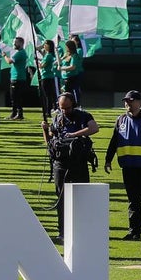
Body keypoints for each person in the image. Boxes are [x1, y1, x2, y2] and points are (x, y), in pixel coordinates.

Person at [42, 92, 99, 242]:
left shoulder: (83, 115)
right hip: (60, 163)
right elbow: (49, 143)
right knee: (61, 198)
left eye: (67, 108)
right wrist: (45, 129)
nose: (64, 111)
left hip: (78, 162)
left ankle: (83, 230)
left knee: (82, 197)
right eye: (62, 108)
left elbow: (94, 128)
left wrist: (74, 134)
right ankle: (62, 232)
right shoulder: (58, 118)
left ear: (73, 104)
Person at [103, 91, 141, 241]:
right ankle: (134, 231)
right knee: (133, 201)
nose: (128, 104)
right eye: (126, 101)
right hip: (128, 167)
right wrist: (108, 159)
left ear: (139, 102)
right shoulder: (121, 120)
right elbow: (114, 141)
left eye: (131, 101)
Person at [2, 36, 30, 120]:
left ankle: (19, 114)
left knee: (16, 97)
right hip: (16, 77)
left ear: (21, 43)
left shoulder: (20, 53)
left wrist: (5, 56)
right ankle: (14, 113)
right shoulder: (20, 52)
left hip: (18, 78)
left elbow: (9, 61)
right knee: (13, 97)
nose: (14, 44)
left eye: (16, 42)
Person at [58, 38, 84, 107]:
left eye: (66, 46)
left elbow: (73, 67)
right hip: (65, 77)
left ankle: (74, 106)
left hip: (71, 77)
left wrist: (62, 68)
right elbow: (59, 62)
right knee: (66, 93)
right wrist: (57, 53)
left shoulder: (74, 56)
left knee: (69, 94)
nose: (65, 48)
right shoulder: (67, 55)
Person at [36, 40, 58, 118]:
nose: (44, 46)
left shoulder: (49, 55)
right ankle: (49, 110)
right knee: (49, 95)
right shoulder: (48, 54)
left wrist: (37, 62)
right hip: (48, 76)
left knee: (47, 96)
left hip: (46, 77)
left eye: (45, 45)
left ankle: (47, 111)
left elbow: (42, 65)